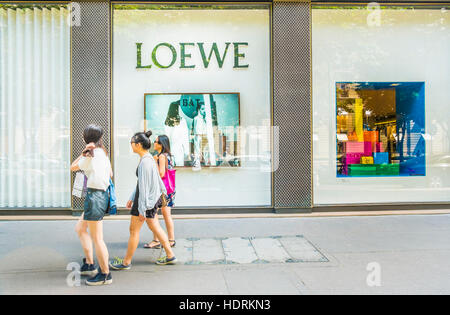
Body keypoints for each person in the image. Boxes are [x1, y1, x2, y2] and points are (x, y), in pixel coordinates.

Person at [110, 131, 177, 270]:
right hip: (148, 201)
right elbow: (143, 183)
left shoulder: (146, 162)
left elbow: (145, 187)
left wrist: (142, 209)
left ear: (138, 145)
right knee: (154, 227)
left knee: (134, 230)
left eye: (132, 143)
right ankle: (170, 255)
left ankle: (126, 262)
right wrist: (131, 197)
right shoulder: (148, 159)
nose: (131, 145)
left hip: (145, 202)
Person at [71, 124, 113, 286]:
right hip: (100, 195)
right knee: (80, 229)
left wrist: (84, 153)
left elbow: (73, 167)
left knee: (98, 238)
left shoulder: (90, 155)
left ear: (86, 138)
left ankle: (105, 274)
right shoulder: (103, 153)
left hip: (95, 196)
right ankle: (89, 263)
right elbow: (110, 174)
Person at [145, 135, 176, 249]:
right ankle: (171, 239)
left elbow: (161, 174)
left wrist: (154, 162)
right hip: (169, 189)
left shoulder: (161, 157)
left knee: (154, 214)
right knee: (167, 215)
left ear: (161, 144)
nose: (154, 143)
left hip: (161, 190)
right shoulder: (169, 156)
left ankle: (156, 239)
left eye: (156, 141)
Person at [164, 101, 190, 166]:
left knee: (170, 168)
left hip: (169, 148)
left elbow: (166, 137)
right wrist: (187, 151)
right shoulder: (182, 121)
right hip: (179, 148)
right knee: (180, 168)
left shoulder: (166, 122)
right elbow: (185, 137)